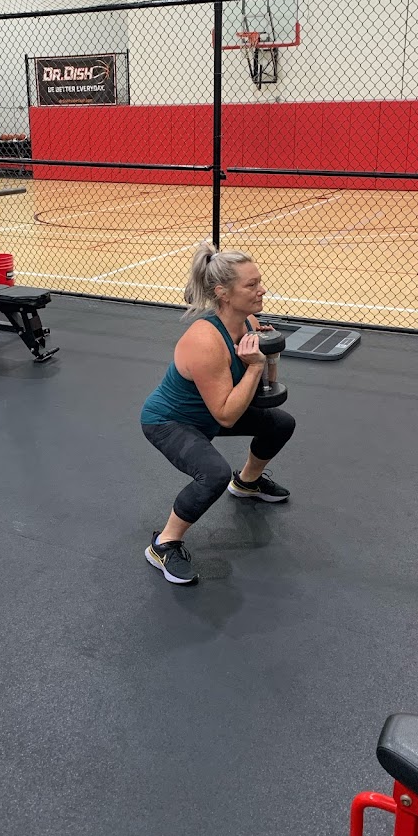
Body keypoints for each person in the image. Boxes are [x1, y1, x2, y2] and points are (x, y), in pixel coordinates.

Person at [141, 241, 296, 584]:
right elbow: (226, 415)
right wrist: (254, 366)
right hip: (170, 421)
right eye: (251, 285)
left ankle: (247, 483)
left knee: (280, 424)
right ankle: (164, 544)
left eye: (259, 281)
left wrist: (269, 355)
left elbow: (263, 394)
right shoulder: (205, 341)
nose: (262, 290)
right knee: (212, 474)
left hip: (210, 412)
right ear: (223, 293)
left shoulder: (248, 322)